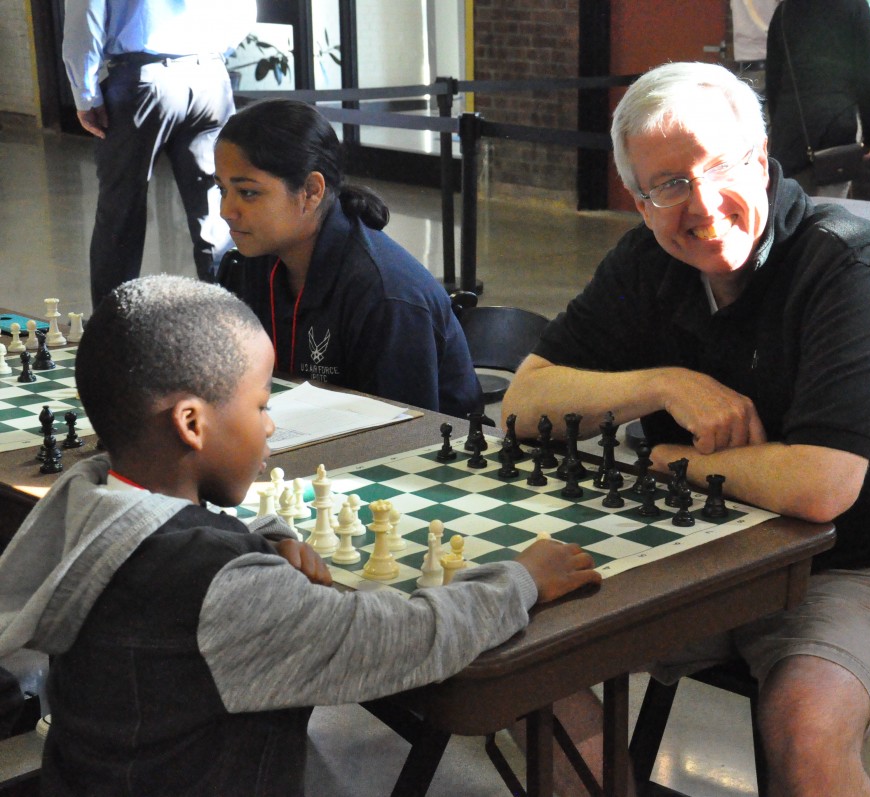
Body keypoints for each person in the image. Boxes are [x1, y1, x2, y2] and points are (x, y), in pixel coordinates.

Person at [502, 62, 870, 796]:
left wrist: (669, 460)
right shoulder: (646, 263)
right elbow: (522, 405)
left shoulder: (847, 263)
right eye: (667, 186)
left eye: (718, 167)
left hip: (867, 557)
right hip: (699, 543)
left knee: (803, 725)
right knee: (512, 649)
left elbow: (824, 485)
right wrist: (663, 383)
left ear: (761, 163)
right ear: (637, 200)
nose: (698, 204)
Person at [0, 275, 600, 795]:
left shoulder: (87, 497)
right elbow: (402, 639)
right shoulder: (219, 588)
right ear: (191, 423)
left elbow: (176, 553)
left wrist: (263, 539)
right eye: (260, 405)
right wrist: (521, 580)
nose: (270, 426)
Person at [216, 99, 483, 418]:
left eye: (248, 193)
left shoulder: (386, 295)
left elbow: (403, 435)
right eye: (221, 190)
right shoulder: (251, 262)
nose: (226, 211)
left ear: (311, 191)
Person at [63, 0, 255, 309]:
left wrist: (84, 94)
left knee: (121, 212)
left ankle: (113, 329)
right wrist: (209, 55)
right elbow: (245, 11)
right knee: (218, 205)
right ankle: (232, 323)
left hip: (143, 80)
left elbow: (85, 17)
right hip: (210, 78)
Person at [764, 0, 870, 198]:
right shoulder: (855, 6)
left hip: (792, 127)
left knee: (792, 211)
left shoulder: (784, 11)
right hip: (837, 124)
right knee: (831, 211)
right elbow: (867, 76)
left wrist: (779, 126)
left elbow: (773, 79)